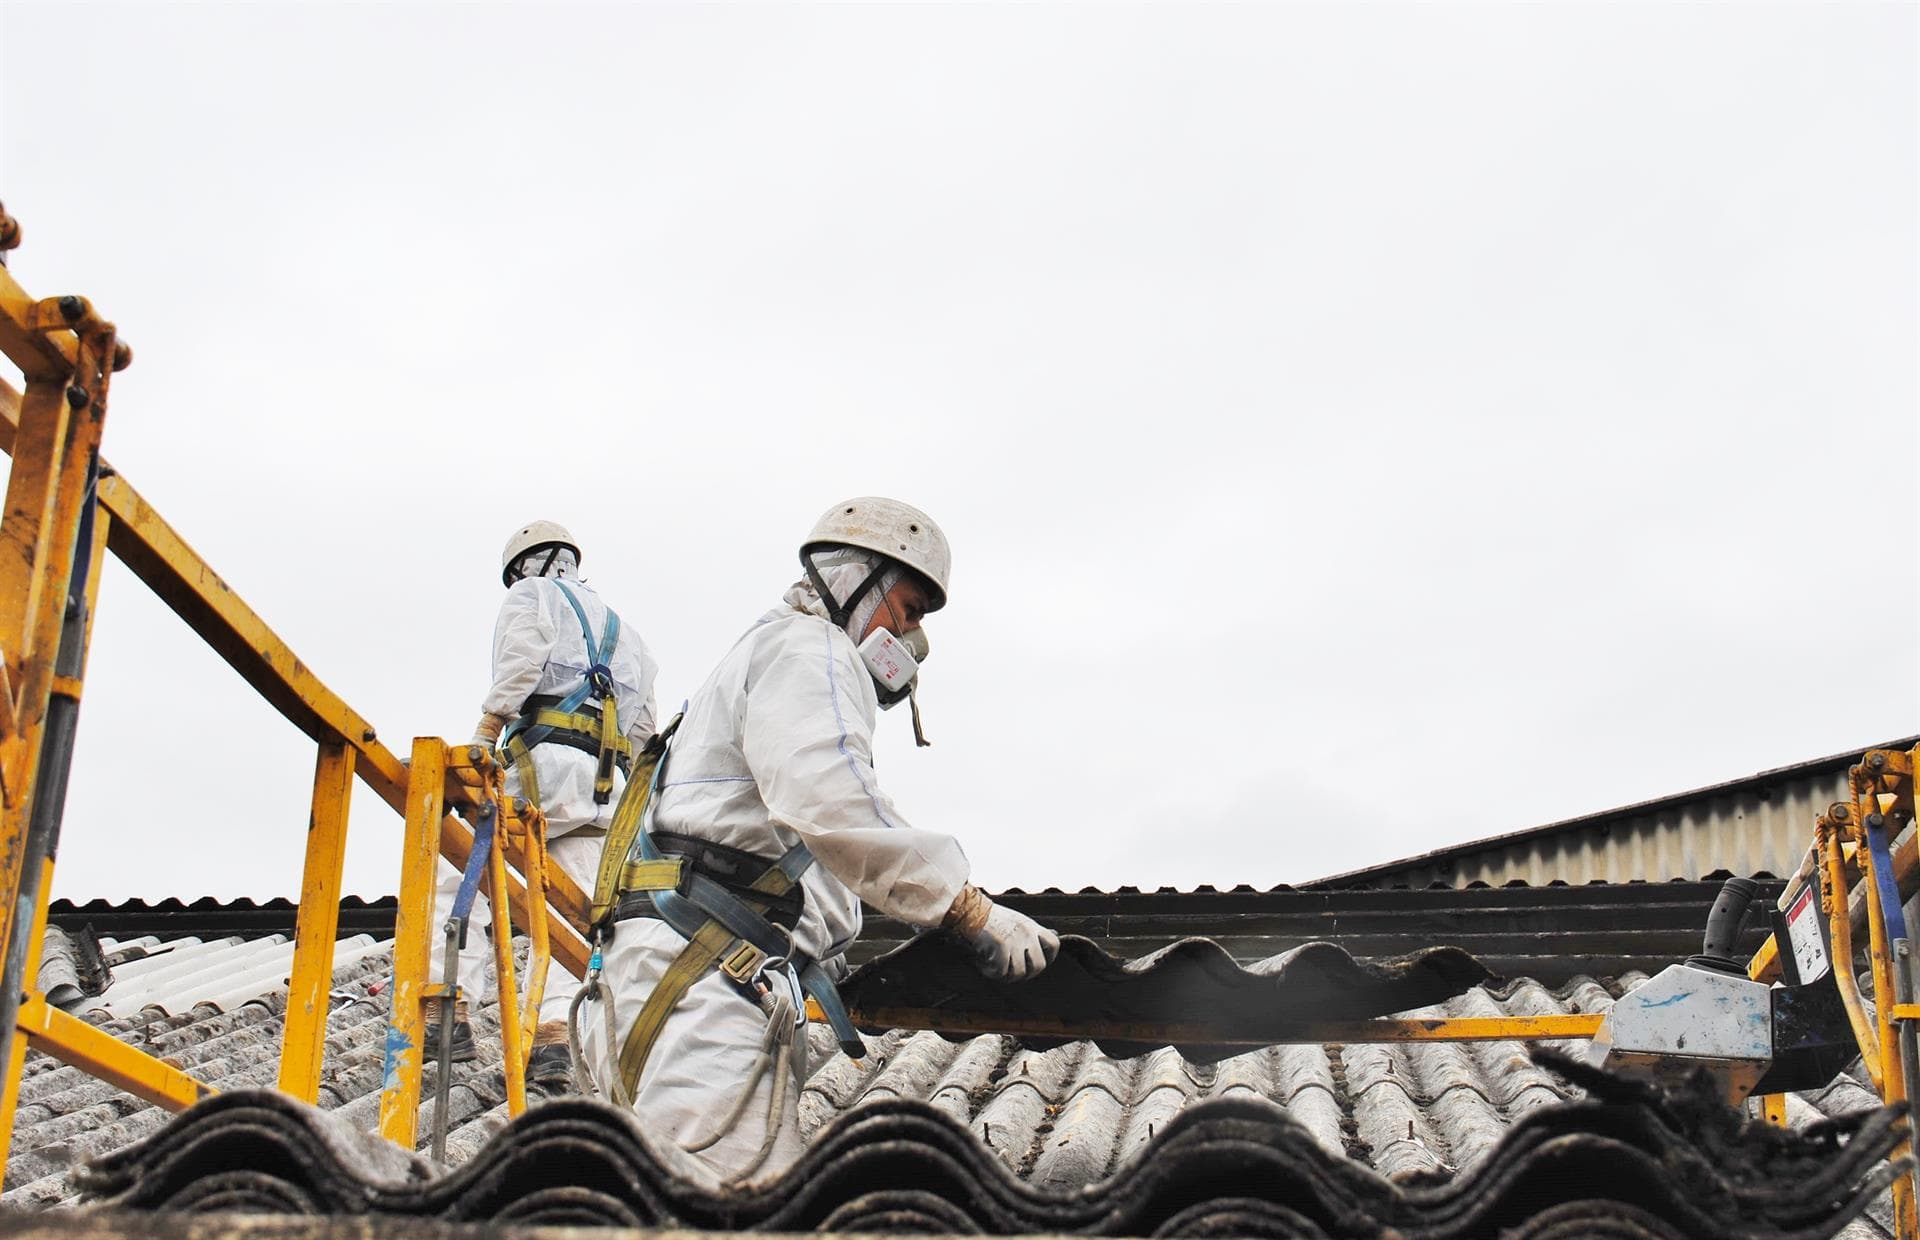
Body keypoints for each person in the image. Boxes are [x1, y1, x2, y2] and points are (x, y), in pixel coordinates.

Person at [576, 497, 1057, 1183]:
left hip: (660, 980)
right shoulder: (811, 650)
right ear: (855, 580)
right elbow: (831, 798)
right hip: (704, 999)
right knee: (721, 1218)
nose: (912, 639)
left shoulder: (763, 651)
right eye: (910, 610)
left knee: (649, 1208)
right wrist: (965, 906)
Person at [427, 520, 659, 1093]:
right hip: (605, 794)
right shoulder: (628, 635)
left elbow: (522, 660)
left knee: (451, 856)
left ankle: (445, 1004)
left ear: (523, 567)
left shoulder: (531, 596)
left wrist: (485, 735)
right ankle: (554, 1034)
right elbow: (644, 726)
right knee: (567, 918)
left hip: (543, 770)